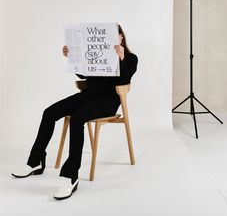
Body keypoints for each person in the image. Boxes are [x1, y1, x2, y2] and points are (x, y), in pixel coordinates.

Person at [12, 24, 138, 200]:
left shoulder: (131, 58)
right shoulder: (96, 53)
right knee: (49, 113)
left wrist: (122, 59)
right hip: (88, 96)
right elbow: (84, 75)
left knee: (77, 119)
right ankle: (35, 161)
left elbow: (125, 79)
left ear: (121, 37)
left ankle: (71, 177)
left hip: (108, 101)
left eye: (113, 35)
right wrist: (72, 57)